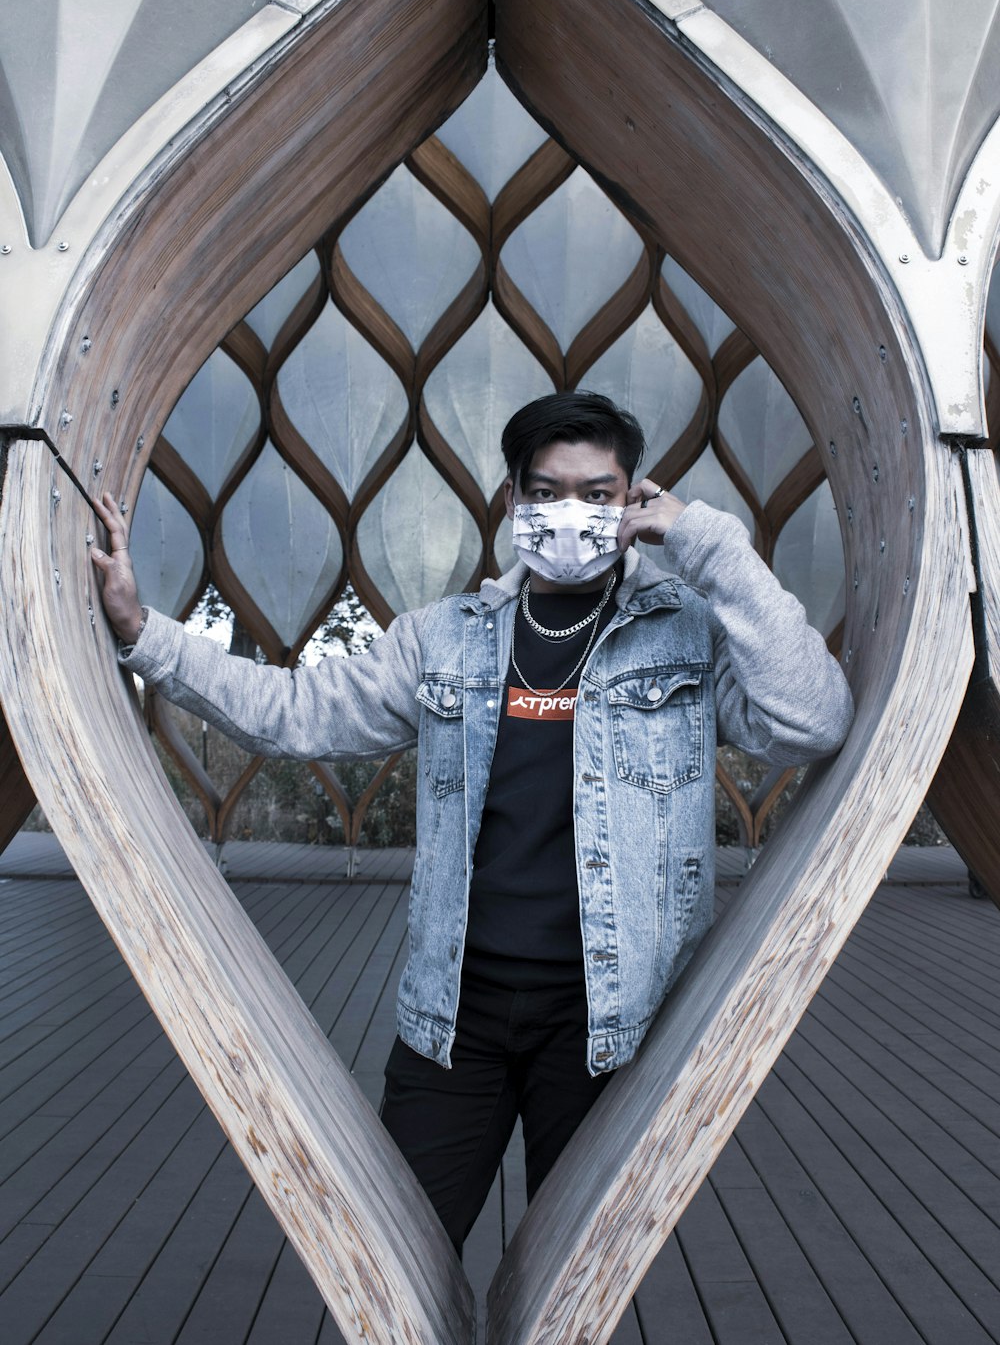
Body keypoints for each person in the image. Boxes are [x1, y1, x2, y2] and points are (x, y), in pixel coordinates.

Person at [92, 391, 853, 1253]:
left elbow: (810, 721)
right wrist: (141, 632)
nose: (572, 512)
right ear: (511, 502)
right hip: (455, 1016)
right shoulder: (445, 639)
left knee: (576, 1280)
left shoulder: (682, 636)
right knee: (393, 1261)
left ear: (635, 501)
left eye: (598, 494)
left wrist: (707, 544)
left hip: (609, 1022)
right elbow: (295, 710)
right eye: (547, 491)